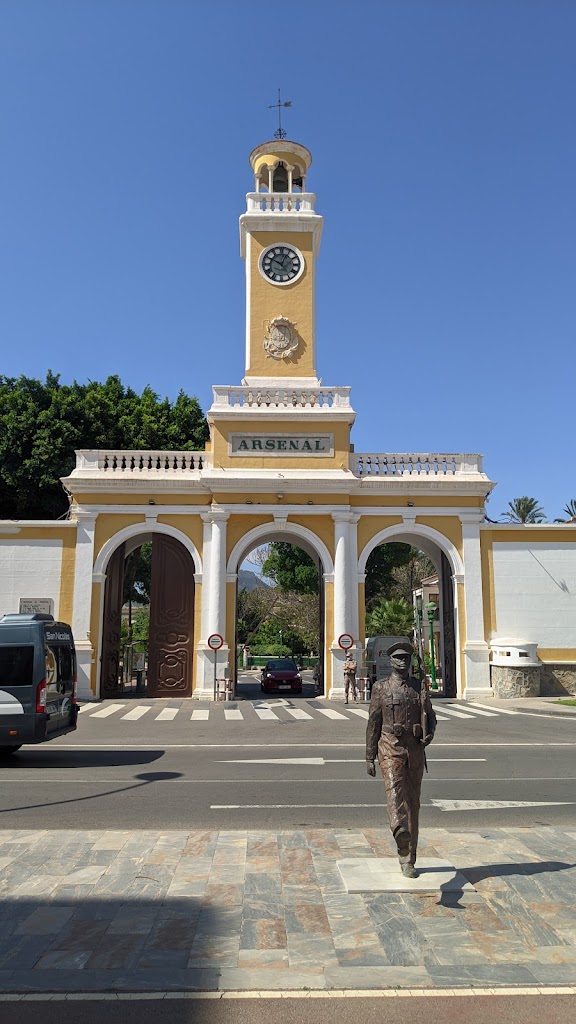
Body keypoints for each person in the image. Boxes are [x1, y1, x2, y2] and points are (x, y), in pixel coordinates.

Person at [365, 641, 436, 877]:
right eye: (399, 658)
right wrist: (369, 757)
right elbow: (373, 724)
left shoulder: (419, 687)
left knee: (413, 804)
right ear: (391, 661)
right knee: (395, 793)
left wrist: (428, 734)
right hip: (389, 748)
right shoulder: (381, 688)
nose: (403, 661)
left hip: (414, 751)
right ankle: (398, 829)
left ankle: (409, 859)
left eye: (407, 658)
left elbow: (432, 719)